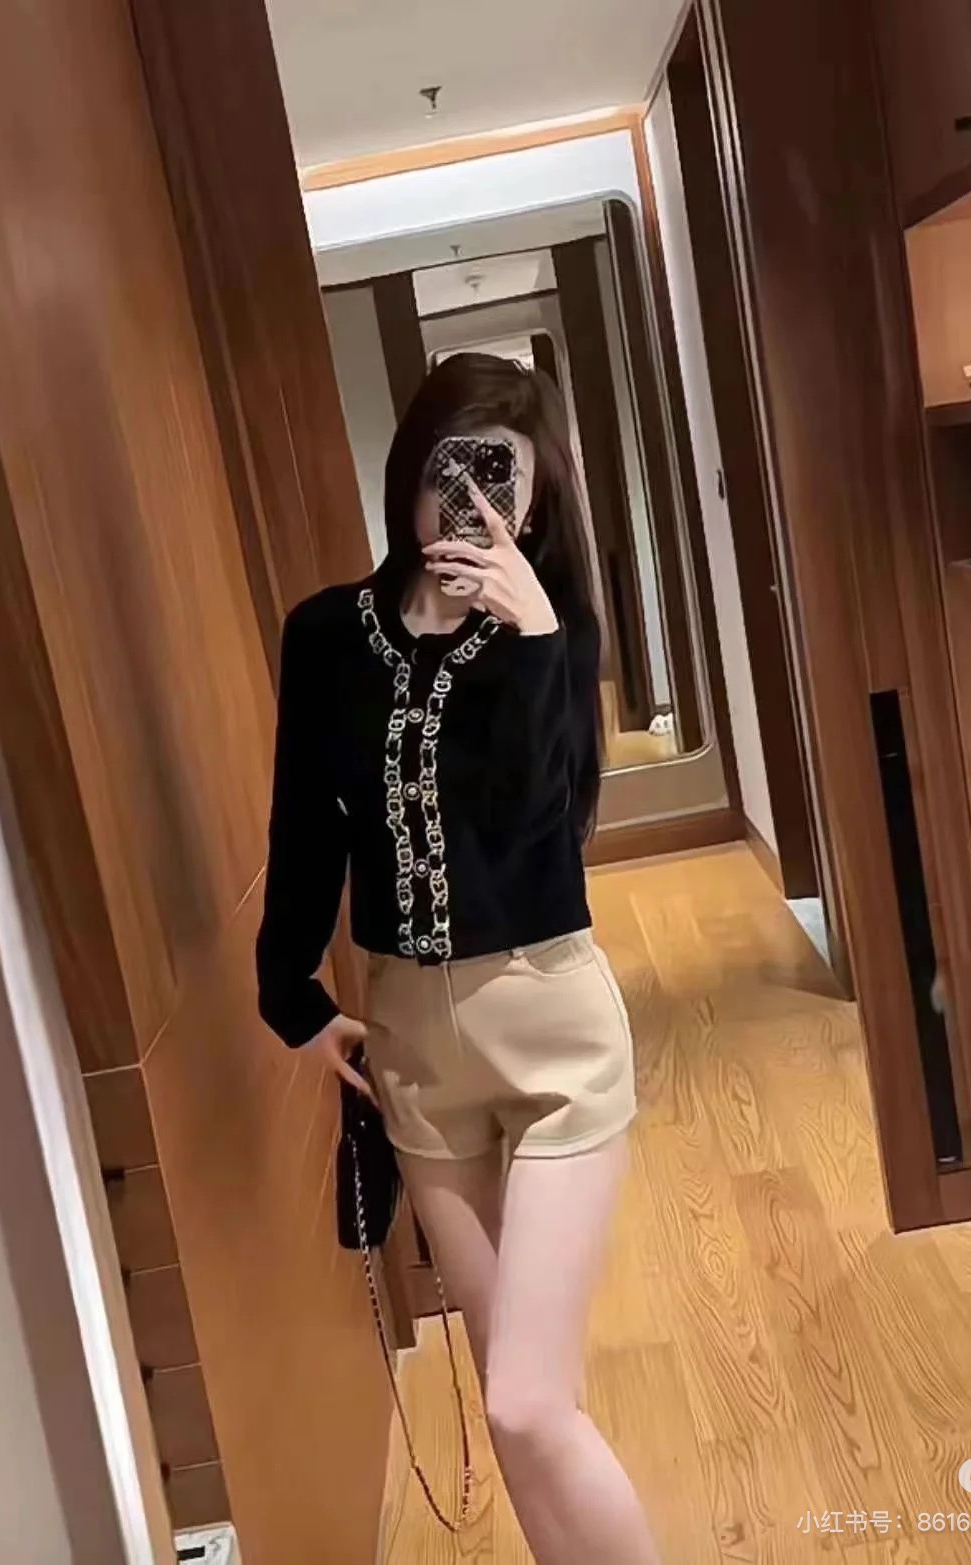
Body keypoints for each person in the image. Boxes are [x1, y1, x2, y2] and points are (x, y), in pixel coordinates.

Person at [256, 352, 660, 1565]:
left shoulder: (550, 637)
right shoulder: (326, 636)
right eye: (452, 468)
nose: (469, 502)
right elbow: (304, 825)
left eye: (500, 478)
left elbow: (539, 828)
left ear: (532, 506)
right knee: (515, 1401)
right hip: (416, 1047)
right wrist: (294, 996)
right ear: (409, 474)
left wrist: (532, 636)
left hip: (553, 1030)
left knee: (529, 1404)